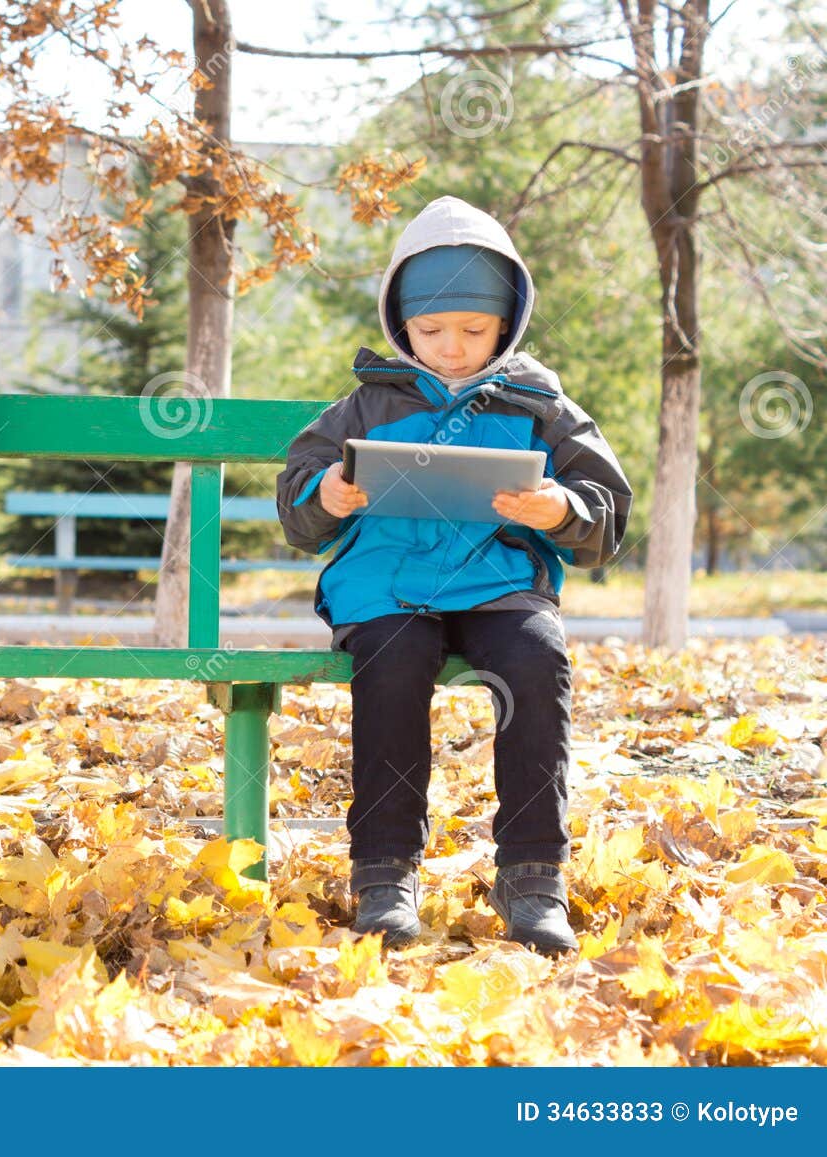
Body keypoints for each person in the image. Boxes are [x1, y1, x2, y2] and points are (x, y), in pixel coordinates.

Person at [276, 195, 631, 955]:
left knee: (538, 662)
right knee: (392, 663)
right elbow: (299, 500)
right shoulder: (367, 404)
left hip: (498, 583)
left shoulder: (541, 404)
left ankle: (533, 876)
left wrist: (557, 509)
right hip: (389, 585)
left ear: (509, 322)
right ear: (401, 325)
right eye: (431, 330)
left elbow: (606, 512)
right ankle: (384, 873)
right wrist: (326, 494)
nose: (452, 348)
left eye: (474, 330)